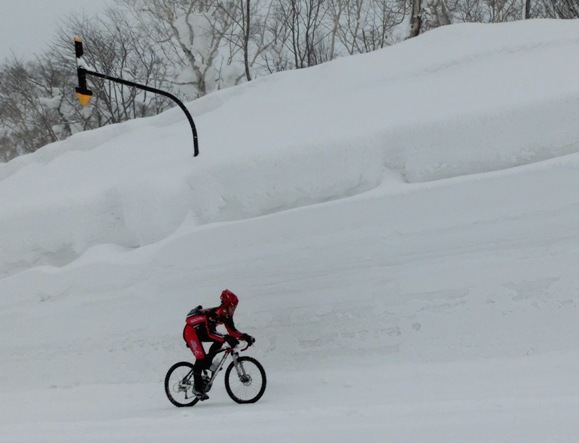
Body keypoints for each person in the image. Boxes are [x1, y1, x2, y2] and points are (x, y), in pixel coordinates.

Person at [182, 289, 254, 399]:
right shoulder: (213, 315)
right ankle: (196, 388)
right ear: (226, 305)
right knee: (200, 356)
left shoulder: (226, 316)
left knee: (219, 340)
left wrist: (246, 336)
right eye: (232, 307)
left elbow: (232, 331)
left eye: (235, 307)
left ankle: (207, 363)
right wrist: (226, 337)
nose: (234, 310)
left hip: (201, 332)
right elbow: (211, 334)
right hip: (191, 332)